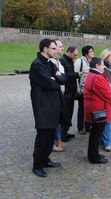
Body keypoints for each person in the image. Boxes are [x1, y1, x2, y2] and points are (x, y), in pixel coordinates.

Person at [30, 39, 65, 177]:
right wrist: (53, 79)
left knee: (50, 134)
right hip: (42, 105)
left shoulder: (49, 63)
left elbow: (62, 79)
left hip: (53, 104)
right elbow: (50, 84)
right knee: (43, 135)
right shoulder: (37, 65)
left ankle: (45, 159)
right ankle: (37, 165)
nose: (56, 51)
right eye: (53, 48)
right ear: (45, 49)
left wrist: (54, 78)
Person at [84, 57, 111, 164]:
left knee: (95, 134)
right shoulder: (98, 77)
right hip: (99, 110)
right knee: (96, 135)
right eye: (102, 65)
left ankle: (94, 154)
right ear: (97, 66)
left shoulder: (92, 75)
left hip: (95, 108)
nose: (104, 67)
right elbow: (106, 93)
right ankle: (94, 157)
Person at [59, 46, 82, 142]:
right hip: (67, 91)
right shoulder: (63, 61)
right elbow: (64, 76)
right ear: (69, 52)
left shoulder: (69, 60)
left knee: (70, 112)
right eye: (75, 55)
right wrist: (77, 74)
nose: (75, 57)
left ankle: (65, 131)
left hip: (72, 91)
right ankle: (62, 134)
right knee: (65, 113)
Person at [50, 39, 66, 152]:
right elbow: (57, 79)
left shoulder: (58, 61)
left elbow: (63, 78)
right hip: (54, 94)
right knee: (53, 120)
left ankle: (58, 140)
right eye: (60, 46)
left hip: (60, 92)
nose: (62, 48)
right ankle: (54, 142)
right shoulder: (51, 62)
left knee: (58, 119)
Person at [74, 45, 94, 135]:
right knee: (82, 109)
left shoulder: (92, 62)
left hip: (91, 90)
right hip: (82, 90)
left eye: (92, 51)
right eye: (90, 51)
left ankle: (88, 126)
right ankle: (81, 127)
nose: (92, 52)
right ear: (86, 53)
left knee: (89, 108)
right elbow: (75, 76)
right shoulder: (80, 61)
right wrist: (78, 89)